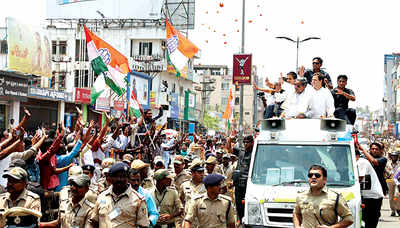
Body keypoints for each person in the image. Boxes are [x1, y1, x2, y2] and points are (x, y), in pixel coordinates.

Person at [90, 162, 150, 228]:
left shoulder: (138, 200)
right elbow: (94, 222)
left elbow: (143, 225)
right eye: (116, 176)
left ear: (128, 178)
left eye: (123, 176)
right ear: (110, 178)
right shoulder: (102, 196)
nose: (119, 179)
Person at [355, 147, 384, 228]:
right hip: (365, 196)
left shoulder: (361, 162)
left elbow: (359, 178)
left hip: (373, 197)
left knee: (370, 223)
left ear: (356, 155)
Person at [232, 135, 254, 221]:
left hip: (248, 183)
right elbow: (229, 149)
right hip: (238, 183)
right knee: (238, 204)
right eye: (244, 142)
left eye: (247, 142)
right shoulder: (241, 151)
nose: (245, 144)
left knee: (247, 205)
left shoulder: (255, 152)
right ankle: (240, 220)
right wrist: (230, 140)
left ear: (252, 142)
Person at [386, 151, 400, 216]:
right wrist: (387, 172)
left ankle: (398, 208)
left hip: (397, 181)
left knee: (397, 195)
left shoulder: (399, 163)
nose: (394, 157)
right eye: (393, 156)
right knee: (391, 197)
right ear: (391, 156)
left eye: (395, 156)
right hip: (390, 180)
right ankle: (392, 210)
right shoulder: (388, 163)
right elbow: (385, 170)